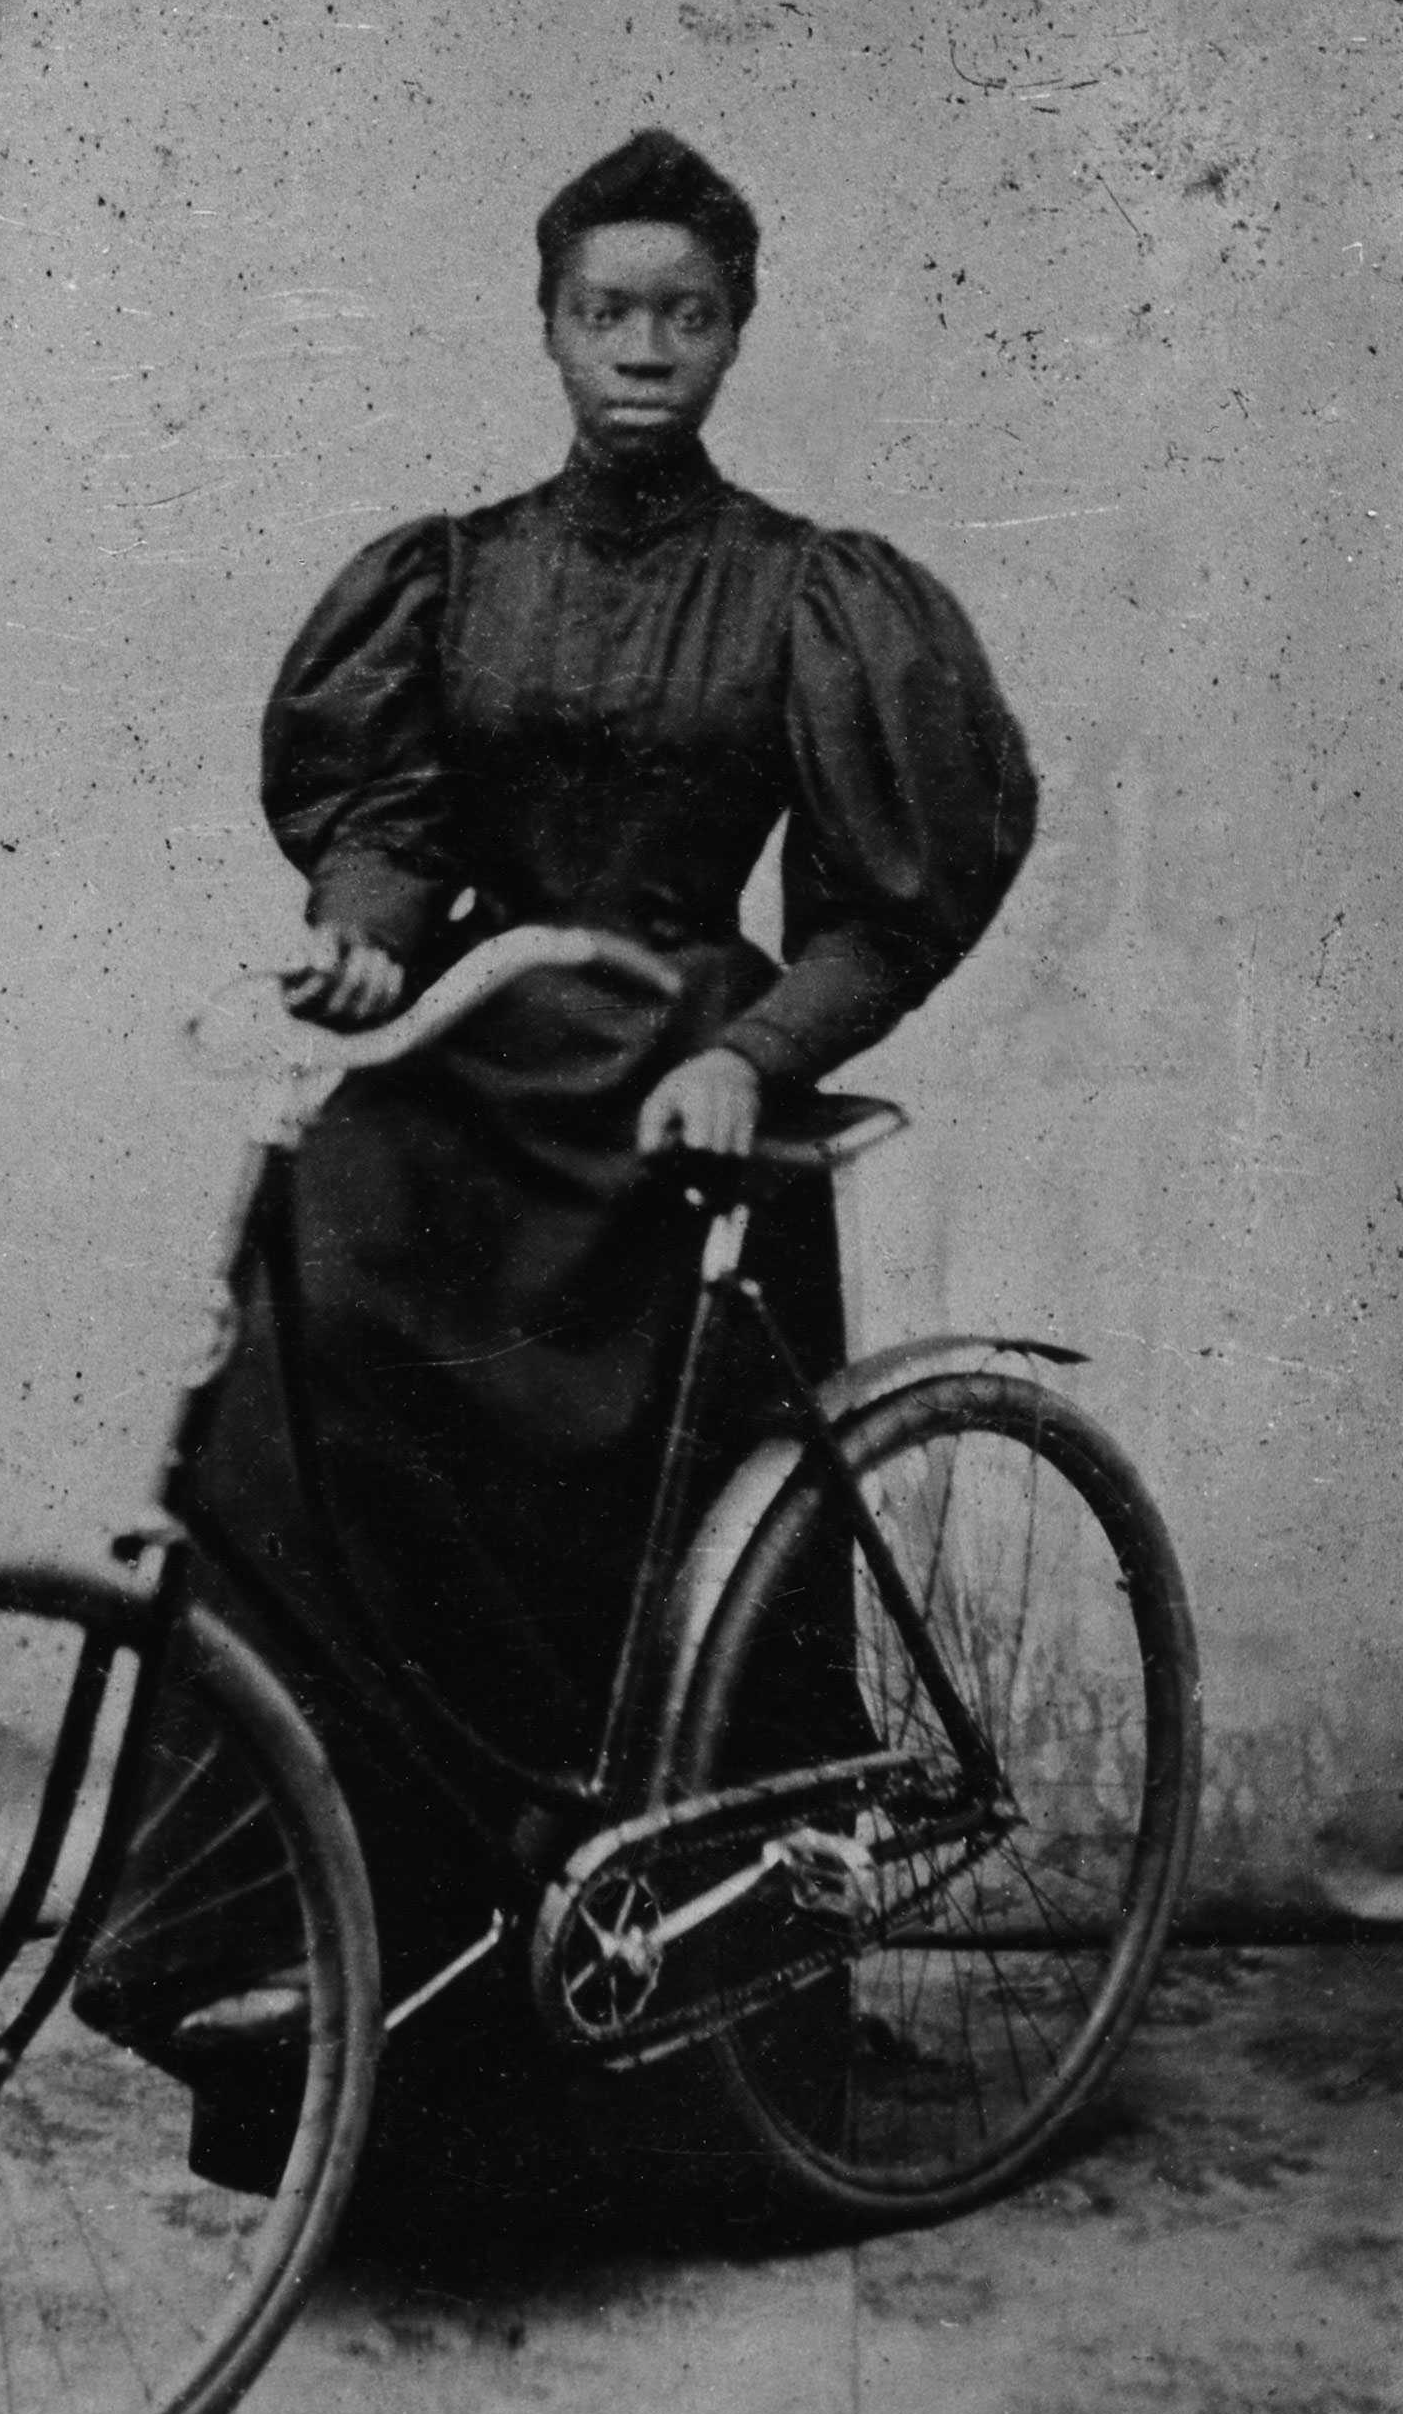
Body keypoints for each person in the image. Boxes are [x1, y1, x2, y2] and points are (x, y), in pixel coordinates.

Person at [85, 132, 1037, 2084]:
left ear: (737, 331)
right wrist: (361, 940)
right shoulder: (456, 576)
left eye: (685, 315)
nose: (644, 350)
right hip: (475, 1055)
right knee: (297, 1366)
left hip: (678, 1078)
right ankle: (332, 1940)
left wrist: (751, 1061)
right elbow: (392, 827)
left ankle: (701, 2014)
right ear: (547, 323)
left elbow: (889, 906)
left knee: (661, 1502)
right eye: (607, 311)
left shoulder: (808, 593)